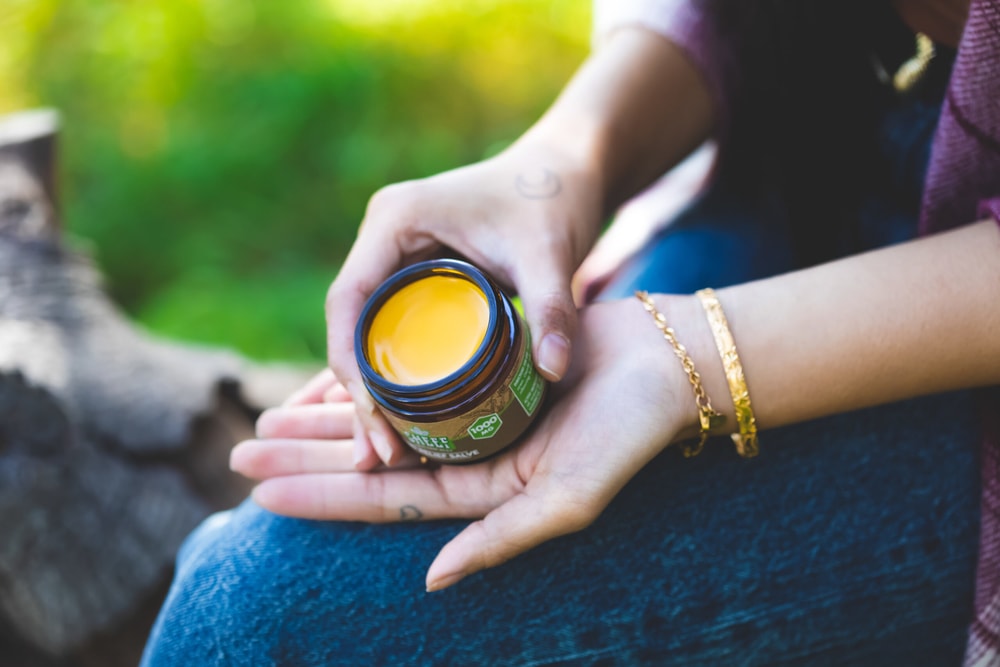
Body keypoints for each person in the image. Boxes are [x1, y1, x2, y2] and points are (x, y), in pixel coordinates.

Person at [140, 0, 1000, 664]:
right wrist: (560, 166)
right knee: (237, 570)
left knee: (255, 607)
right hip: (821, 143)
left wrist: (684, 353)